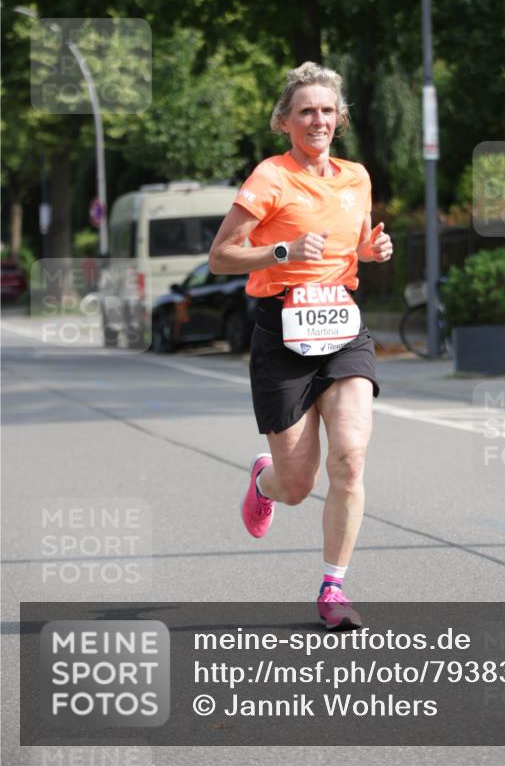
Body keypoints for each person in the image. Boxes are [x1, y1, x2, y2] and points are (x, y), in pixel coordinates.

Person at [208, 61, 393, 629]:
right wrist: (282, 252)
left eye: (328, 110)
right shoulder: (269, 178)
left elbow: (352, 245)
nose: (319, 120)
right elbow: (221, 256)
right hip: (281, 334)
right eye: (307, 111)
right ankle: (264, 480)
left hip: (342, 331)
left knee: (351, 458)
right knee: (295, 485)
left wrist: (369, 253)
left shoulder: (355, 177)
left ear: (339, 118)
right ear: (285, 120)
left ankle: (333, 589)